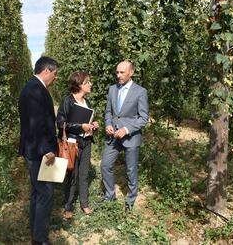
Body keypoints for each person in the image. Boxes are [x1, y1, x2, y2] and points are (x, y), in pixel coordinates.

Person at [18, 56, 58, 245]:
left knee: (37, 191)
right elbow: (35, 124)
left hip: (34, 149)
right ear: (46, 71)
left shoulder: (32, 87)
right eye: (55, 74)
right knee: (45, 193)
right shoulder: (35, 89)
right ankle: (40, 239)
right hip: (38, 151)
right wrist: (46, 150)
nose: (55, 78)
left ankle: (34, 230)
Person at [100, 60, 149, 211]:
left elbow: (143, 118)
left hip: (131, 137)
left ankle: (130, 200)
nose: (118, 75)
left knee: (131, 170)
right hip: (113, 136)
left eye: (122, 72)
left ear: (131, 72)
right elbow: (109, 112)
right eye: (117, 72)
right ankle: (110, 195)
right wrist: (108, 124)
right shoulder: (112, 89)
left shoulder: (140, 92)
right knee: (105, 165)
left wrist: (126, 129)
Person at [57, 71, 99, 219]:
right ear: (80, 84)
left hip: (86, 142)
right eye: (88, 82)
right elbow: (61, 123)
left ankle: (84, 203)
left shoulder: (87, 102)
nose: (90, 84)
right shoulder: (67, 101)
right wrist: (80, 126)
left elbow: (87, 122)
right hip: (72, 143)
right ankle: (68, 206)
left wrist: (93, 125)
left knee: (84, 174)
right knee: (72, 175)